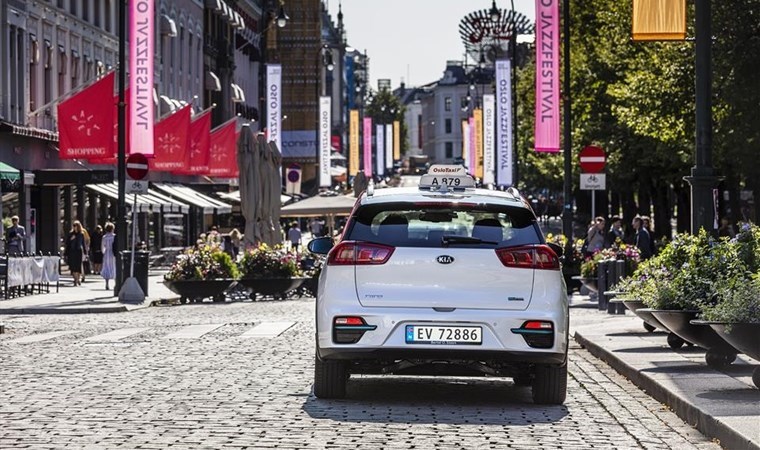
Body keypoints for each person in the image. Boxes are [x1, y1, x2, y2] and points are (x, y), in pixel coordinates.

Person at [64, 221, 86, 286]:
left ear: (78, 227)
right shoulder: (71, 234)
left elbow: (83, 243)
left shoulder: (81, 234)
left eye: (76, 226)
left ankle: (78, 279)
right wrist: (71, 239)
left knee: (78, 266)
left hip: (79, 251)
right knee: (73, 266)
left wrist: (85, 252)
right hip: (72, 251)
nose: (74, 227)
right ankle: (75, 280)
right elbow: (67, 243)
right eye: (74, 226)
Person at [101, 222, 116, 290]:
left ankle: (107, 283)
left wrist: (104, 252)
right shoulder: (114, 236)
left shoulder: (104, 237)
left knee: (106, 267)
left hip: (107, 253)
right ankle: (116, 283)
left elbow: (102, 246)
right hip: (113, 253)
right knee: (114, 266)